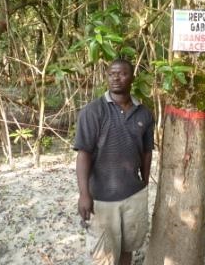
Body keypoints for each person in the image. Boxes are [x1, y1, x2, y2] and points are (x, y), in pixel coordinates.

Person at [74, 58, 154, 265]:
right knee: (104, 256)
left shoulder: (144, 113)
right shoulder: (93, 112)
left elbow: (147, 152)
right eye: (112, 74)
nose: (116, 78)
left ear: (132, 78)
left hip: (133, 195)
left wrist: (144, 182)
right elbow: (83, 154)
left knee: (128, 248)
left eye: (122, 73)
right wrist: (84, 194)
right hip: (101, 199)